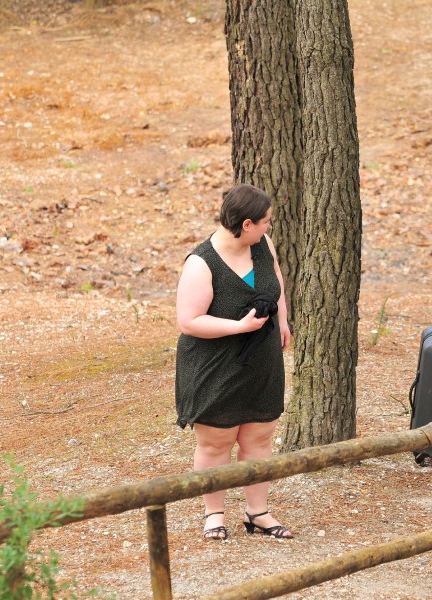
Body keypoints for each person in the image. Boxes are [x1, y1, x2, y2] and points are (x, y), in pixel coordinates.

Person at [175, 183, 293, 540]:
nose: (269, 227)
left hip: (262, 360)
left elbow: (277, 285)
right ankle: (214, 514)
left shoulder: (262, 246)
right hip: (215, 366)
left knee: (259, 436)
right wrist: (238, 326)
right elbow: (189, 321)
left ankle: (258, 512)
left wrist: (283, 321)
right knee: (216, 442)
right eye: (265, 222)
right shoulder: (201, 263)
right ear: (245, 224)